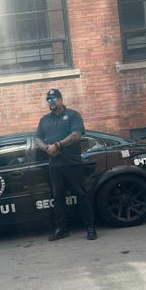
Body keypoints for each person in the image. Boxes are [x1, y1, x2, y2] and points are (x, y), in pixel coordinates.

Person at [34, 88, 97, 241]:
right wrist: (46, 148)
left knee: (81, 195)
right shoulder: (44, 120)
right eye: (49, 100)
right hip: (54, 166)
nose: (51, 102)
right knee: (58, 197)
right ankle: (61, 229)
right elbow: (37, 138)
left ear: (61, 99)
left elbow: (76, 135)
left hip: (72, 163)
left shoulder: (73, 115)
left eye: (54, 99)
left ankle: (90, 227)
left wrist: (58, 145)